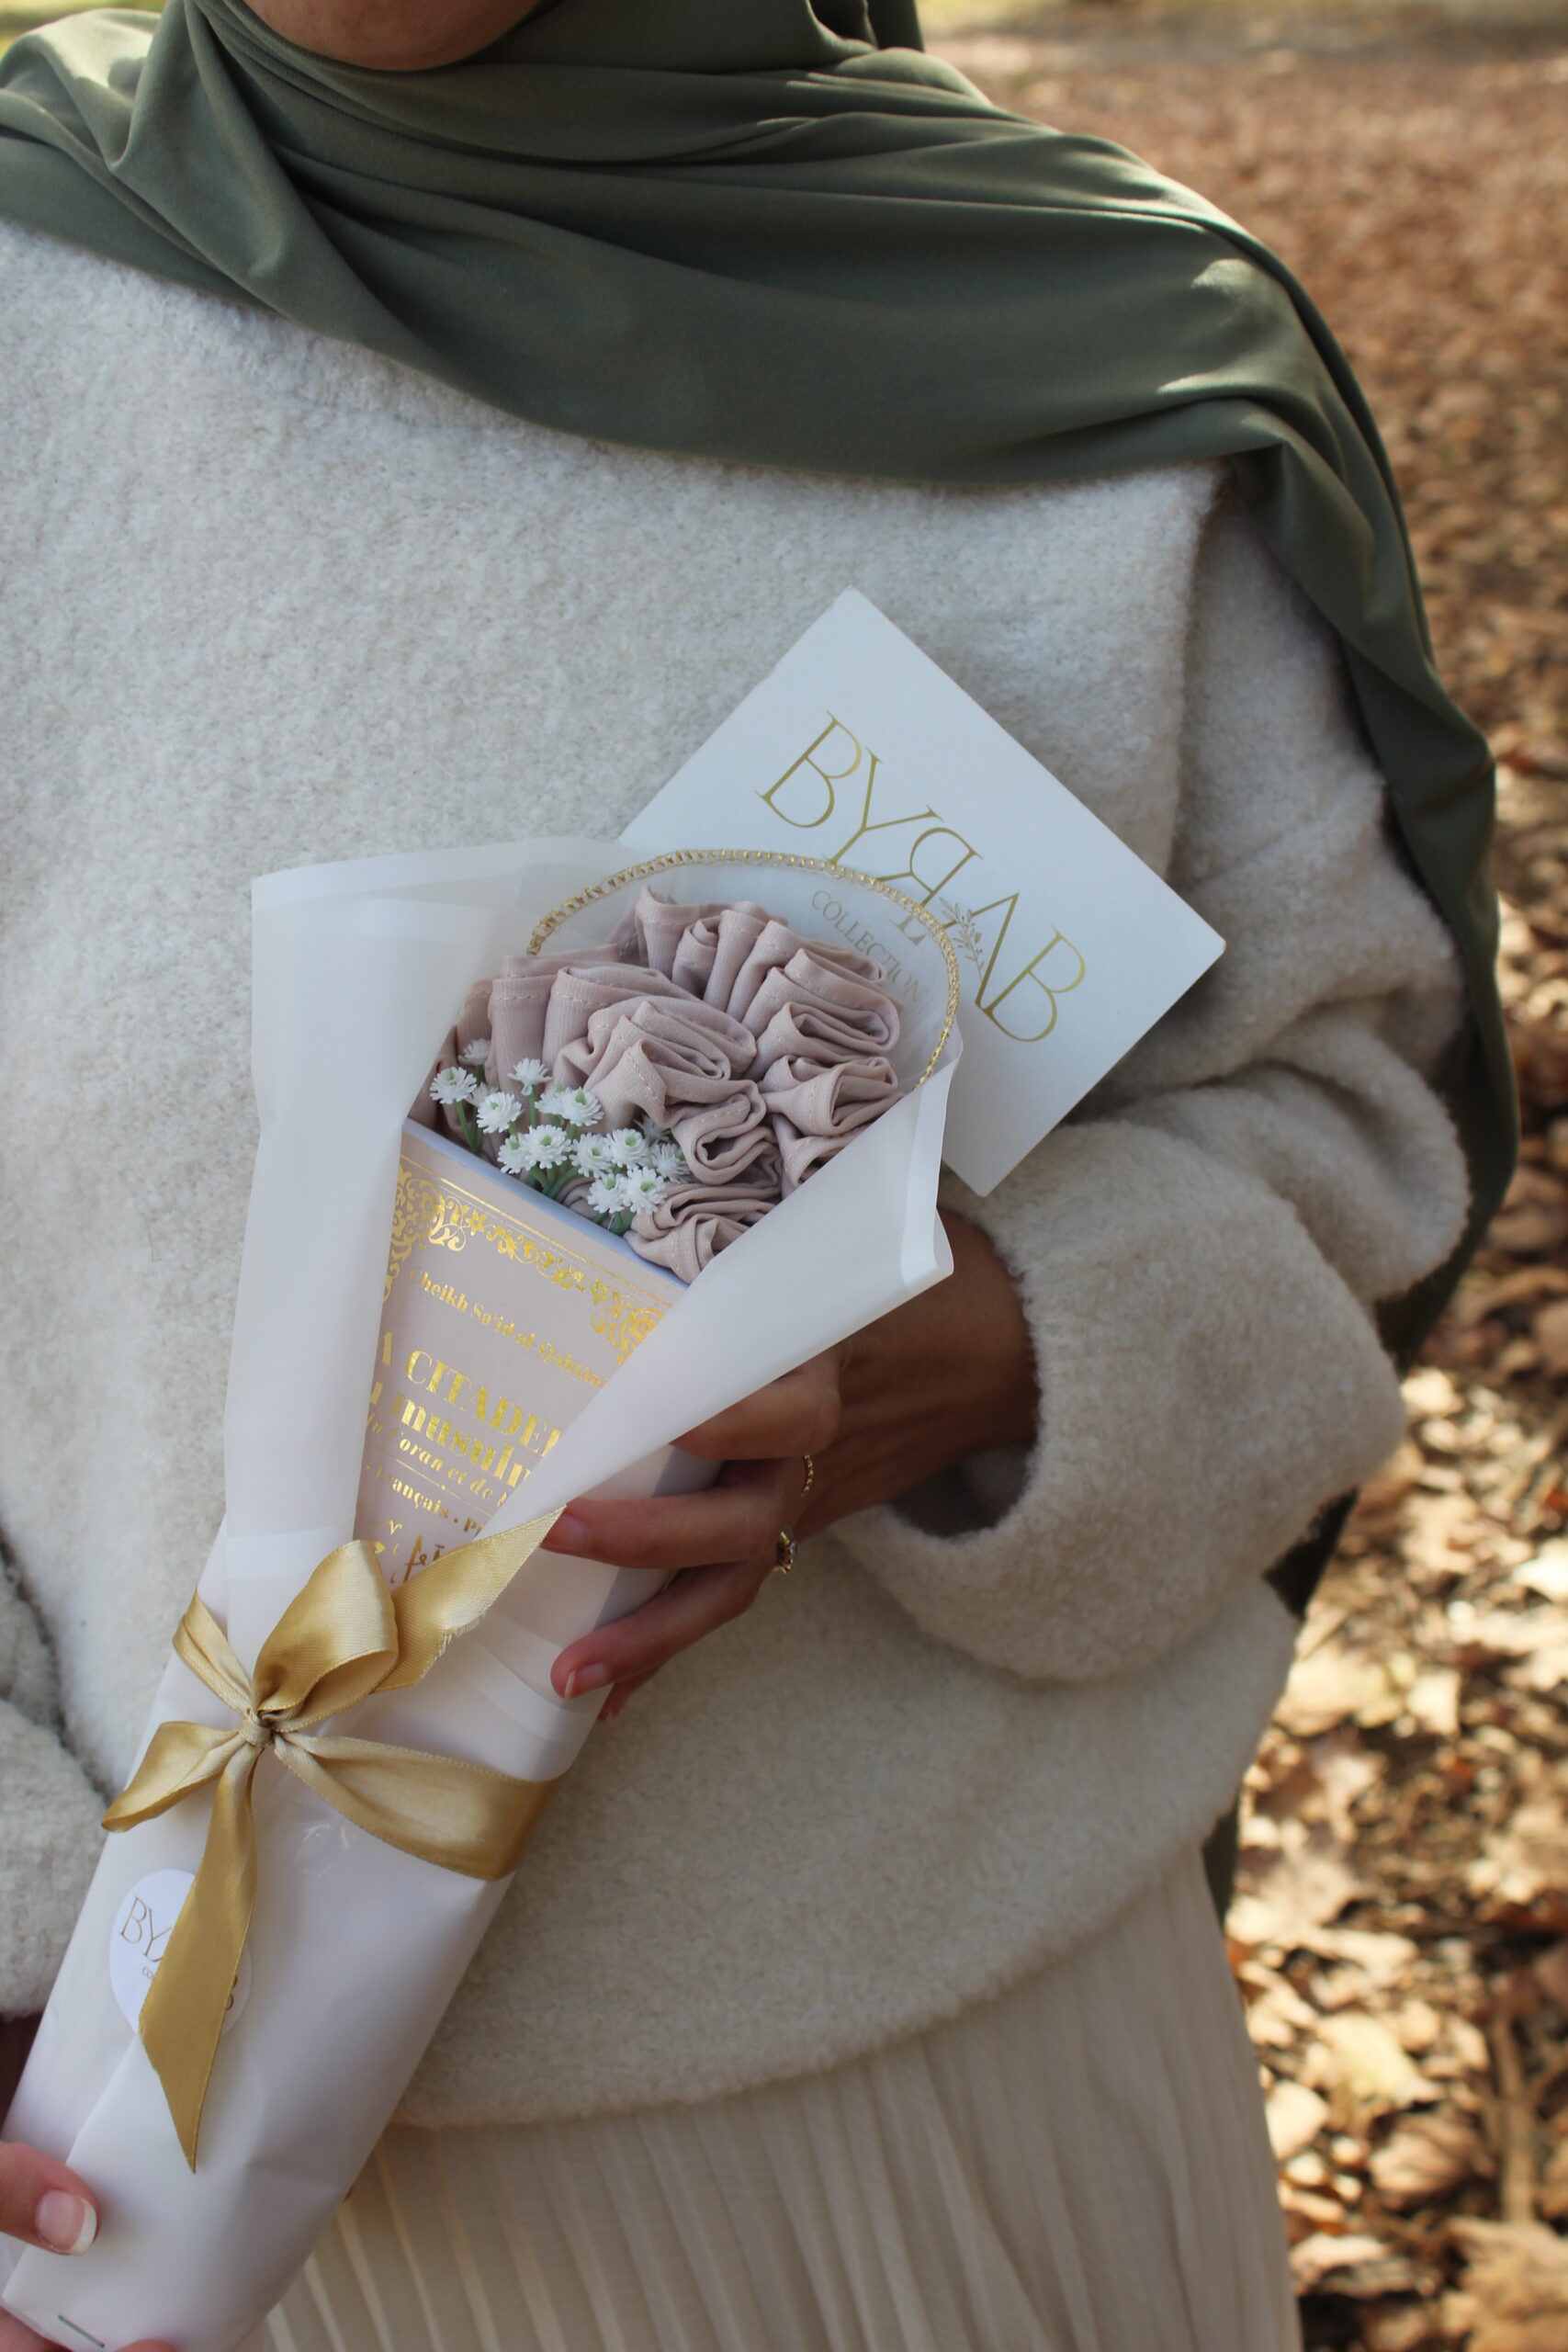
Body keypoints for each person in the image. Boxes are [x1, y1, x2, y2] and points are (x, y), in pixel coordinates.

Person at [0, 2, 1512, 2347]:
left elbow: (1349, 1137)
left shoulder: (1107, 369)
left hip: (952, 2144)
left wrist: (999, 1336)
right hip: (117, 2148)